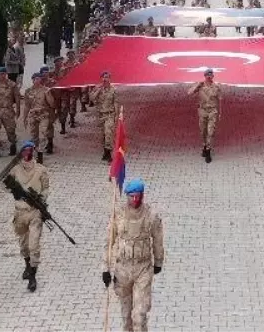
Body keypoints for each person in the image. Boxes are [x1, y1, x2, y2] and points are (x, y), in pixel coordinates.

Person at [103, 178, 165, 332]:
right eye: (132, 196)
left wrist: (158, 261)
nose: (135, 199)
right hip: (122, 270)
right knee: (126, 318)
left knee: (139, 316)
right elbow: (109, 242)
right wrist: (106, 269)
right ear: (127, 196)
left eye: (138, 196)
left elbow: (158, 239)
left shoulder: (151, 215)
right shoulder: (118, 215)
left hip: (143, 269)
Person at [10, 140, 49, 292]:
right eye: (25, 151)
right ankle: (27, 265)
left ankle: (33, 276)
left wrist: (41, 200)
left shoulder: (41, 170)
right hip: (20, 212)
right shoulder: (15, 171)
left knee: (34, 245)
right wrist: (16, 192)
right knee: (23, 244)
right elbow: (7, 187)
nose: (27, 153)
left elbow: (46, 188)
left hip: (34, 212)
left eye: (30, 150)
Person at [0, 66, 22, 158]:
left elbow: (17, 97)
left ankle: (13, 145)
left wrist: (18, 110)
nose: (1, 76)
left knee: (11, 131)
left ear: (6, 74)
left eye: (3, 74)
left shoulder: (12, 85)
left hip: (8, 110)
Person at [187, 69, 221, 162]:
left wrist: (219, 113)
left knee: (211, 131)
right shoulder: (200, 85)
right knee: (203, 131)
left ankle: (208, 151)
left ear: (213, 76)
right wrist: (197, 85)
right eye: (207, 75)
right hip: (203, 111)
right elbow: (189, 93)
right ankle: (204, 145)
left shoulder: (216, 87)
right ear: (205, 76)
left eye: (210, 75)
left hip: (212, 111)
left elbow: (219, 101)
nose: (209, 77)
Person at [24, 72, 56, 162]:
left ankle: (40, 154)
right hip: (33, 115)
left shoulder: (46, 90)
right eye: (36, 79)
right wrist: (24, 118)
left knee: (43, 135)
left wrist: (48, 95)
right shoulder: (28, 91)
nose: (37, 80)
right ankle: (34, 151)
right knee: (33, 135)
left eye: (39, 79)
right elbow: (27, 106)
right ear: (32, 80)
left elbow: (52, 104)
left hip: (43, 115)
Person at [90, 71, 119, 162]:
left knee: (108, 133)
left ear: (109, 78)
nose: (105, 79)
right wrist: (98, 91)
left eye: (106, 77)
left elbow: (116, 103)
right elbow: (91, 98)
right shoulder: (97, 88)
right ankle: (105, 152)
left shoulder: (113, 89)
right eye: (103, 77)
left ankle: (108, 153)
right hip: (101, 115)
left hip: (110, 114)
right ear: (101, 78)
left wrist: (116, 116)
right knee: (103, 135)